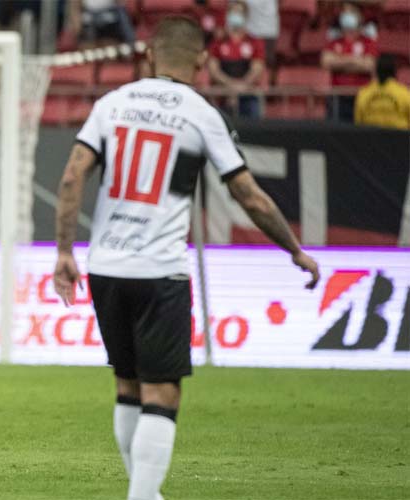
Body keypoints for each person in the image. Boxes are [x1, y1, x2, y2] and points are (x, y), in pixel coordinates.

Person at [52, 16, 320, 500]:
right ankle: (141, 496)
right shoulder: (200, 113)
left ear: (148, 56)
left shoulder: (111, 104)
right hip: (159, 272)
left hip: (106, 267)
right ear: (201, 62)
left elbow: (72, 177)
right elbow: (249, 197)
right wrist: (294, 249)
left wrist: (64, 252)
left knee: (128, 386)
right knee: (163, 393)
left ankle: (144, 492)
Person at [321, 2, 378, 122]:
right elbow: (326, 62)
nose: (347, 15)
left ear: (359, 17)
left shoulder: (367, 41)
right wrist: (355, 61)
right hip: (338, 98)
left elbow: (369, 65)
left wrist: (340, 62)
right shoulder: (335, 40)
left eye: (351, 12)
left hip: (362, 98)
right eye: (344, 12)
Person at [207, 1, 266, 119]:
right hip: (222, 93)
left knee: (253, 103)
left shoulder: (254, 42)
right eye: (232, 12)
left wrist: (241, 86)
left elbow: (257, 69)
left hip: (247, 93)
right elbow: (213, 70)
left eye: (239, 12)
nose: (235, 15)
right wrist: (230, 86)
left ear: (245, 16)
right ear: (227, 15)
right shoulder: (218, 43)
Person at [355, 54, 410, 130]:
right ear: (394, 71)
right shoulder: (404, 93)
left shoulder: (364, 93)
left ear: (376, 70)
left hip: (371, 139)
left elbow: (358, 122)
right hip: (399, 139)